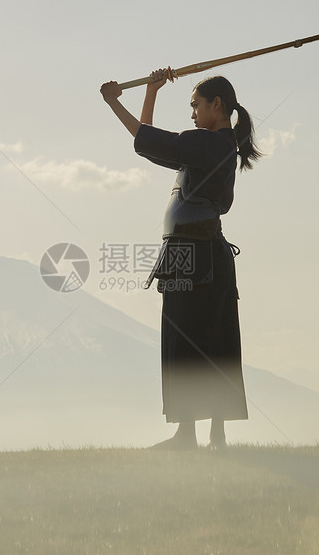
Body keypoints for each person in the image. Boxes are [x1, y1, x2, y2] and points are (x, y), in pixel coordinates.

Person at [100, 69, 260, 450]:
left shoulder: (212, 145)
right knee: (187, 341)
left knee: (209, 340)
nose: (191, 114)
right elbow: (150, 145)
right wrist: (150, 92)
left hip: (199, 253)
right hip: (188, 255)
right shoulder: (204, 150)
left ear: (216, 105)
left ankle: (210, 435)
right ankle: (190, 433)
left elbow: (145, 139)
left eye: (195, 106)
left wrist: (112, 102)